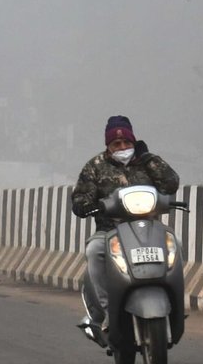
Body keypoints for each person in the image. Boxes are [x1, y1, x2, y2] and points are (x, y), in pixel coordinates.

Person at [69, 115, 179, 333]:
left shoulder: (147, 162)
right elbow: (80, 199)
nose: (122, 147)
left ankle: (174, 304)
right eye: (116, 144)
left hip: (148, 230)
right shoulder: (95, 167)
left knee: (176, 245)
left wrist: (148, 158)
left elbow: (171, 183)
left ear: (134, 142)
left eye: (127, 142)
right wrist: (90, 206)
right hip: (110, 232)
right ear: (108, 146)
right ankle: (104, 314)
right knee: (94, 251)